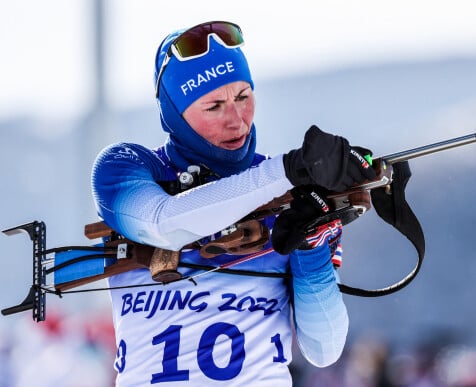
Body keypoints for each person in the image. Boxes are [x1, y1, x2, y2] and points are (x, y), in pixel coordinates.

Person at [91, 21, 376, 386]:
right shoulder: (128, 166)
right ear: (174, 114)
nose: (237, 120)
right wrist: (288, 169)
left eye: (243, 96)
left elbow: (324, 348)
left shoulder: (292, 192)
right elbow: (165, 224)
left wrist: (313, 247)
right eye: (214, 106)